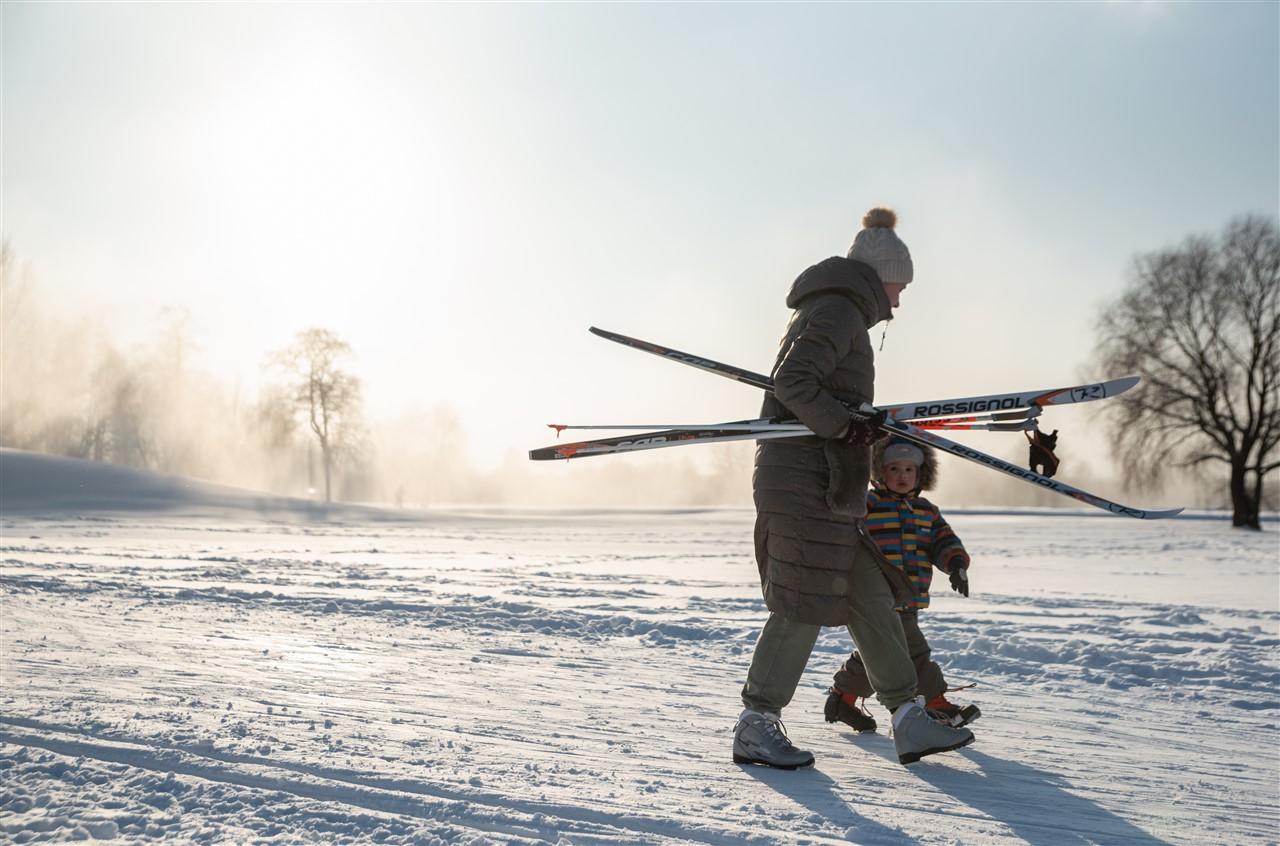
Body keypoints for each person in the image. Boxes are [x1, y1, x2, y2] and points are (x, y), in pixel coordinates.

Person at [733, 207, 975, 768]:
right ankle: (756, 723)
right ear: (880, 276)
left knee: (872, 592)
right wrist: (846, 426)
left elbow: (821, 395)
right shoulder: (838, 310)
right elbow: (793, 383)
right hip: (802, 481)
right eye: (900, 287)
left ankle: (908, 717)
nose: (899, 301)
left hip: (829, 481)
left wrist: (858, 427)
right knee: (803, 598)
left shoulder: (840, 311)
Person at [823, 438, 981, 735]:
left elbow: (944, 541)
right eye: (894, 468)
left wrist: (956, 563)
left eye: (909, 469)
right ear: (879, 472)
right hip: (877, 596)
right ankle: (935, 703)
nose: (902, 475)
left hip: (910, 597)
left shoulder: (926, 511)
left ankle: (843, 698)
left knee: (878, 650)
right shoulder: (868, 503)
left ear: (921, 474)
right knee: (912, 651)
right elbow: (844, 532)